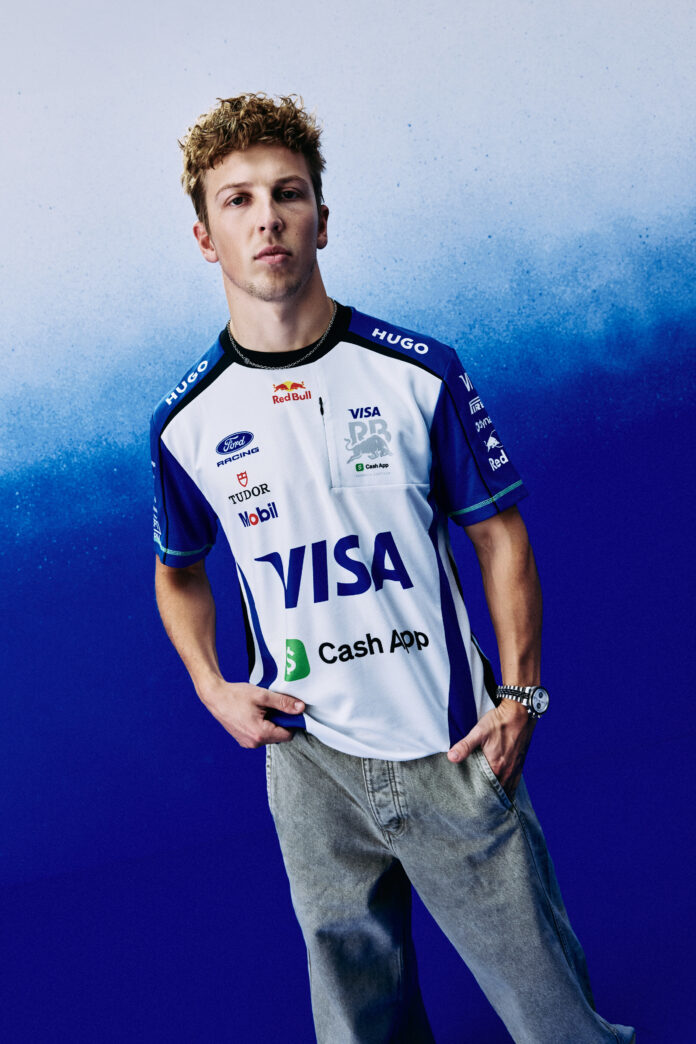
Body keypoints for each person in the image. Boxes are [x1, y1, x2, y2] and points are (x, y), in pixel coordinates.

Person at [151, 93, 635, 1043]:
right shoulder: (187, 423)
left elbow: (501, 535)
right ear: (206, 237)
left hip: (447, 742)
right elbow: (178, 570)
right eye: (238, 200)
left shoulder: (417, 372)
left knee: (557, 1023)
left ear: (321, 218)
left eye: (288, 193)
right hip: (307, 762)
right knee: (358, 1029)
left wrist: (521, 695)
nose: (267, 218)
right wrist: (213, 687)